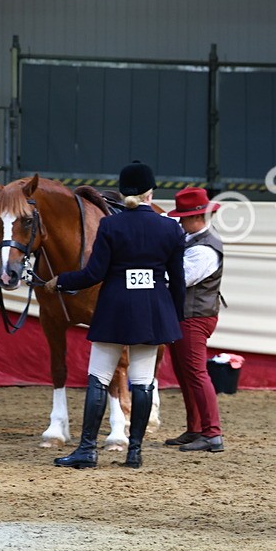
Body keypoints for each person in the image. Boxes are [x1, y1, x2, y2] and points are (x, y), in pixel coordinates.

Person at [44, 161, 186, 469]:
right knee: (143, 381)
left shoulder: (110, 225)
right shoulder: (171, 227)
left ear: (121, 193)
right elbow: (178, 280)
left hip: (115, 310)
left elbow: (94, 273)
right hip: (153, 311)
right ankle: (134, 452)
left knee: (98, 378)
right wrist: (174, 317)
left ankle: (86, 449)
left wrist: (61, 280)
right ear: (150, 192)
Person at [164, 187, 226, 451]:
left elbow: (179, 279)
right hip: (189, 315)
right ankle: (196, 428)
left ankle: (212, 433)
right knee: (187, 373)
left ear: (195, 218)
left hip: (194, 317)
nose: (179, 222)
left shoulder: (204, 249)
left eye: (182, 218)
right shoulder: (195, 242)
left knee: (196, 374)